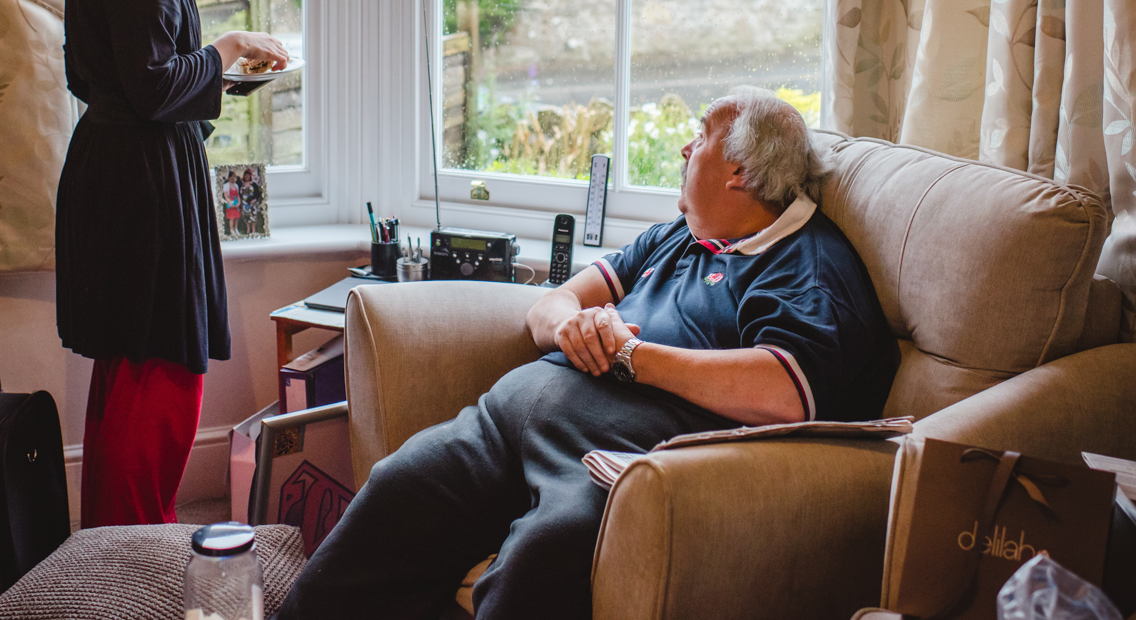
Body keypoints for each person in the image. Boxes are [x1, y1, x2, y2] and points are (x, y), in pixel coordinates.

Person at [275, 87, 899, 620]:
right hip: (503, 424)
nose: (686, 151)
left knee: (544, 555)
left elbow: (785, 391)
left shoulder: (806, 266)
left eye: (700, 137)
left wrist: (632, 354)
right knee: (397, 486)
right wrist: (570, 328)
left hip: (606, 461)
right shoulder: (679, 237)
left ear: (738, 168)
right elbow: (554, 302)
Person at [46, 0, 288, 529]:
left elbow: (102, 75)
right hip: (143, 184)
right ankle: (135, 554)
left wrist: (218, 70)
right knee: (160, 377)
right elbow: (152, 86)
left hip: (117, 168)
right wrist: (224, 49)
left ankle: (116, 551)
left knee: (129, 370)